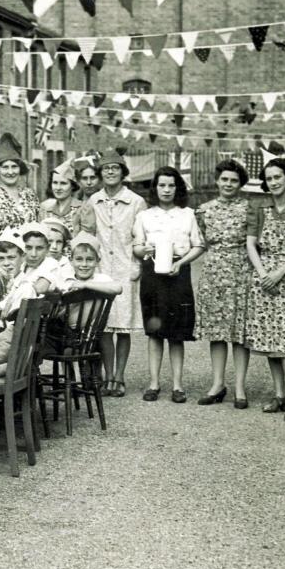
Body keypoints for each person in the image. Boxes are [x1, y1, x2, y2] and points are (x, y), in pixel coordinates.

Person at [77, 151, 146, 398]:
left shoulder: (136, 201)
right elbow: (87, 234)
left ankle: (119, 375)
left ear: (122, 172)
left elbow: (142, 237)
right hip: (102, 268)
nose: (110, 172)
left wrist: (138, 264)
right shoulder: (93, 201)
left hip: (127, 268)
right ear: (100, 173)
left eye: (115, 168)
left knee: (124, 325)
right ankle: (107, 376)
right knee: (104, 325)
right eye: (106, 169)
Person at [133, 166, 205, 403]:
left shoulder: (187, 214)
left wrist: (181, 263)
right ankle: (153, 384)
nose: (166, 190)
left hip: (178, 273)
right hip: (153, 273)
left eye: (171, 185)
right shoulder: (145, 216)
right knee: (155, 332)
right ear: (155, 188)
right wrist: (144, 249)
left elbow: (199, 245)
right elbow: (136, 247)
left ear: (178, 188)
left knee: (176, 332)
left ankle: (177, 385)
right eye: (162, 185)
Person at [244, 158, 285, 421]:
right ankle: (279, 394)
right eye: (269, 178)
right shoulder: (259, 207)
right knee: (269, 336)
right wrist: (262, 274)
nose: (274, 182)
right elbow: (250, 244)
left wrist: (280, 273)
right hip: (263, 277)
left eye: (278, 177)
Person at [195, 160, 252, 408]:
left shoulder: (249, 209)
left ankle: (240, 387)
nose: (228, 184)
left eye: (234, 180)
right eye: (225, 179)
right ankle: (218, 384)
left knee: (240, 333)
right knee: (216, 332)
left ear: (240, 184)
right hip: (213, 274)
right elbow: (200, 242)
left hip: (241, 273)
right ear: (217, 181)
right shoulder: (204, 210)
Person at [0, 133, 39, 237]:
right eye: (5, 167)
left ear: (20, 168)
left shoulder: (30, 195)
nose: (10, 172)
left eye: (14, 167)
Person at [41, 160, 83, 236]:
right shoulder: (45, 209)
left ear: (72, 186)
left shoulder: (82, 208)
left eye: (63, 183)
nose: (58, 188)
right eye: (55, 183)